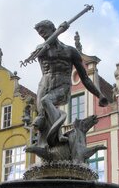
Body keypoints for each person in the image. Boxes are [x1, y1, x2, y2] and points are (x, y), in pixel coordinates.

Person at [31, 20, 108, 148]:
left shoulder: (70, 51)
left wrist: (99, 95)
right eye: (40, 34)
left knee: (46, 101)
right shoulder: (41, 49)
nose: (43, 35)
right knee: (42, 117)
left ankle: (59, 132)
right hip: (44, 85)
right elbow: (43, 63)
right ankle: (48, 146)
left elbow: (85, 78)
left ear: (53, 29)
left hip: (62, 85)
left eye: (44, 32)